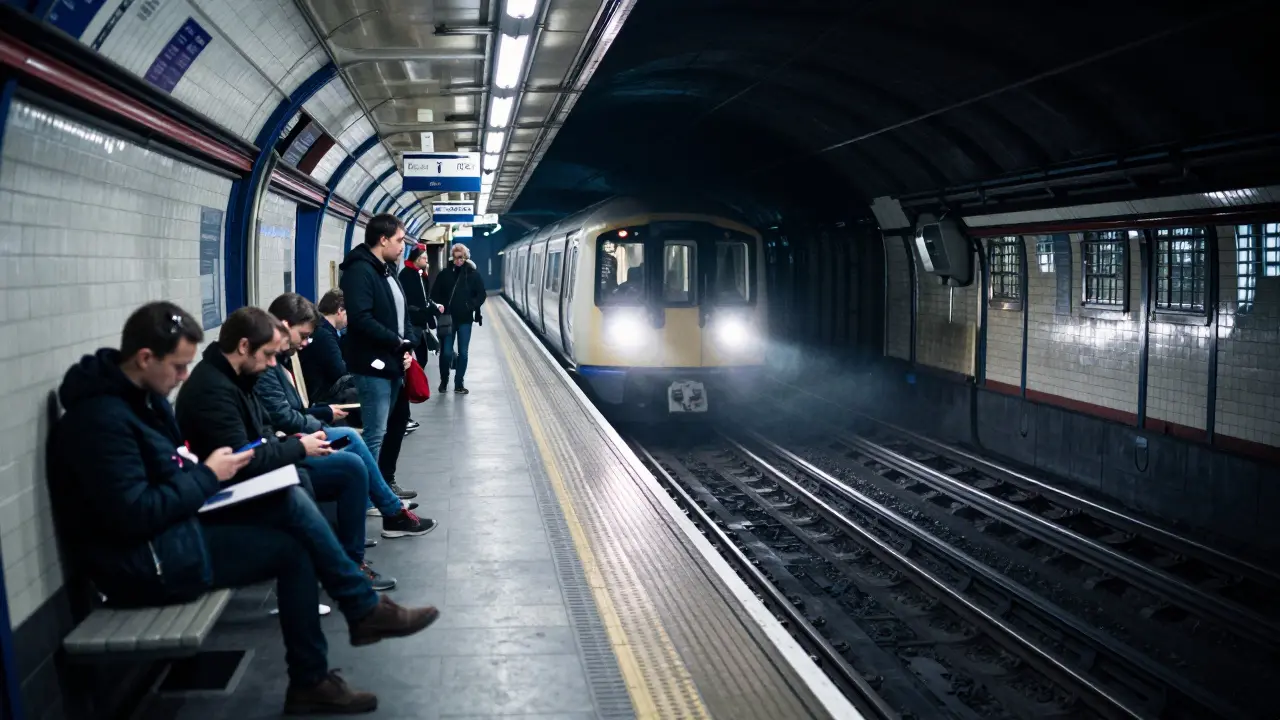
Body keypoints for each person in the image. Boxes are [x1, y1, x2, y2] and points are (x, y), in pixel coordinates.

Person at [48, 301, 439, 714]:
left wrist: (202, 475)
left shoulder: (142, 400)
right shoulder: (102, 422)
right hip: (145, 562)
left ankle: (319, 669)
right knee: (290, 510)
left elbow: (172, 469)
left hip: (173, 531)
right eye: (178, 367)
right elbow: (135, 514)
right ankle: (357, 614)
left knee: (293, 534)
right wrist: (208, 476)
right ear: (146, 358)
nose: (183, 376)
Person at [174, 307, 375, 584]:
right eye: (268, 355)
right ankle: (343, 568)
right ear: (244, 346)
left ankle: (343, 561)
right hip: (230, 489)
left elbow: (264, 428)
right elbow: (243, 459)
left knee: (340, 464)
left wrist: (288, 443)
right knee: (338, 469)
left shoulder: (238, 379)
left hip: (250, 469)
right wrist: (299, 448)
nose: (272, 363)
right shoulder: (214, 390)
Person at [258, 292, 434, 542]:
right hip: (289, 441)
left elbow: (288, 412)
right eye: (304, 336)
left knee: (351, 436)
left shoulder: (278, 361)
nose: (307, 343)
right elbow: (285, 417)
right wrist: (321, 420)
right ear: (285, 326)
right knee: (351, 454)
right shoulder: (266, 366)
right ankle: (390, 513)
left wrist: (324, 413)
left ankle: (391, 510)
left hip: (296, 431)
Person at [339, 214, 418, 481]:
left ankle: (384, 484)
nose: (402, 246)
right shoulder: (359, 271)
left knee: (393, 426)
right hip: (373, 366)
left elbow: (401, 313)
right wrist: (397, 341)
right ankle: (369, 496)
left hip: (393, 362)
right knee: (375, 433)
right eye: (398, 240)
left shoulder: (387, 269)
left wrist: (409, 341)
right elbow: (361, 319)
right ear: (382, 240)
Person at [429, 242, 486, 394]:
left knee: (463, 352)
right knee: (446, 352)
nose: (458, 261)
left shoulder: (473, 275)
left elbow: (481, 294)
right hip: (448, 319)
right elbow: (434, 295)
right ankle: (444, 379)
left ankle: (459, 383)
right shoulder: (444, 274)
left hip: (465, 320)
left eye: (461, 258)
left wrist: (470, 305)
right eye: (455, 258)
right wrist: (439, 308)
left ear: (466, 258)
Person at [298, 289, 356, 406]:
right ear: (340, 311)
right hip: (322, 396)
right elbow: (340, 371)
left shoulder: (323, 330)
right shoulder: (325, 336)